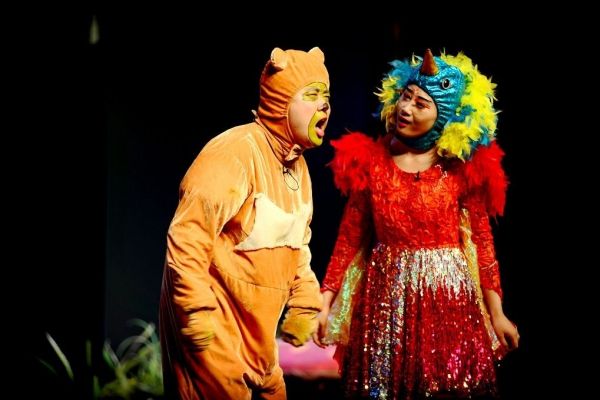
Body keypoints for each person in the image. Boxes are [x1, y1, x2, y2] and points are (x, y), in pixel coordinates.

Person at [313, 49, 519, 399]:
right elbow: (349, 239)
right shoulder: (371, 161)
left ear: (446, 116)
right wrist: (324, 304)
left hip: (447, 303)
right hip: (385, 303)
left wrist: (497, 312)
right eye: (406, 97)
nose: (406, 108)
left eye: (421, 103)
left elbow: (482, 244)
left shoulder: (460, 170)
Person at [159, 47, 330, 400]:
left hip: (258, 335)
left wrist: (304, 302)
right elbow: (188, 234)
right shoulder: (234, 151)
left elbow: (297, 244)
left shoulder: (297, 167)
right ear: (281, 102)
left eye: (326, 97)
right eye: (312, 95)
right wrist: (196, 311)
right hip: (215, 329)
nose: (324, 106)